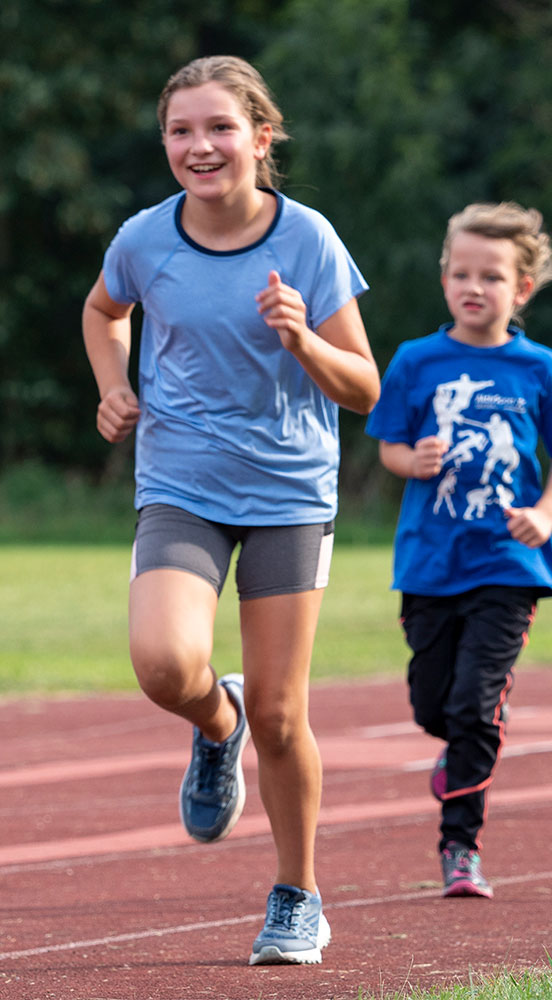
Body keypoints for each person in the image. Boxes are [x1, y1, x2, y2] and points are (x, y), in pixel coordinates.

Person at [81, 55, 380, 965]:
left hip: (290, 493)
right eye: (180, 131)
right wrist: (113, 385)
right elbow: (103, 311)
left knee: (287, 717)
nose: (199, 147)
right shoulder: (145, 237)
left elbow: (366, 388)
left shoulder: (309, 241)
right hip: (181, 482)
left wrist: (301, 340)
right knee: (166, 666)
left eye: (219, 128)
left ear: (261, 135)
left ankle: (298, 898)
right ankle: (219, 723)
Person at [366, 201, 552, 898]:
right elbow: (388, 443)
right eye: (461, 274)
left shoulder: (538, 368)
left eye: (492, 276)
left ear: (521, 289)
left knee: (476, 707)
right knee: (432, 707)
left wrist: (544, 513)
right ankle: (454, 755)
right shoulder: (417, 360)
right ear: (443, 278)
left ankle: (461, 845)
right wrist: (409, 460)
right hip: (428, 562)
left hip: (508, 565)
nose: (474, 288)